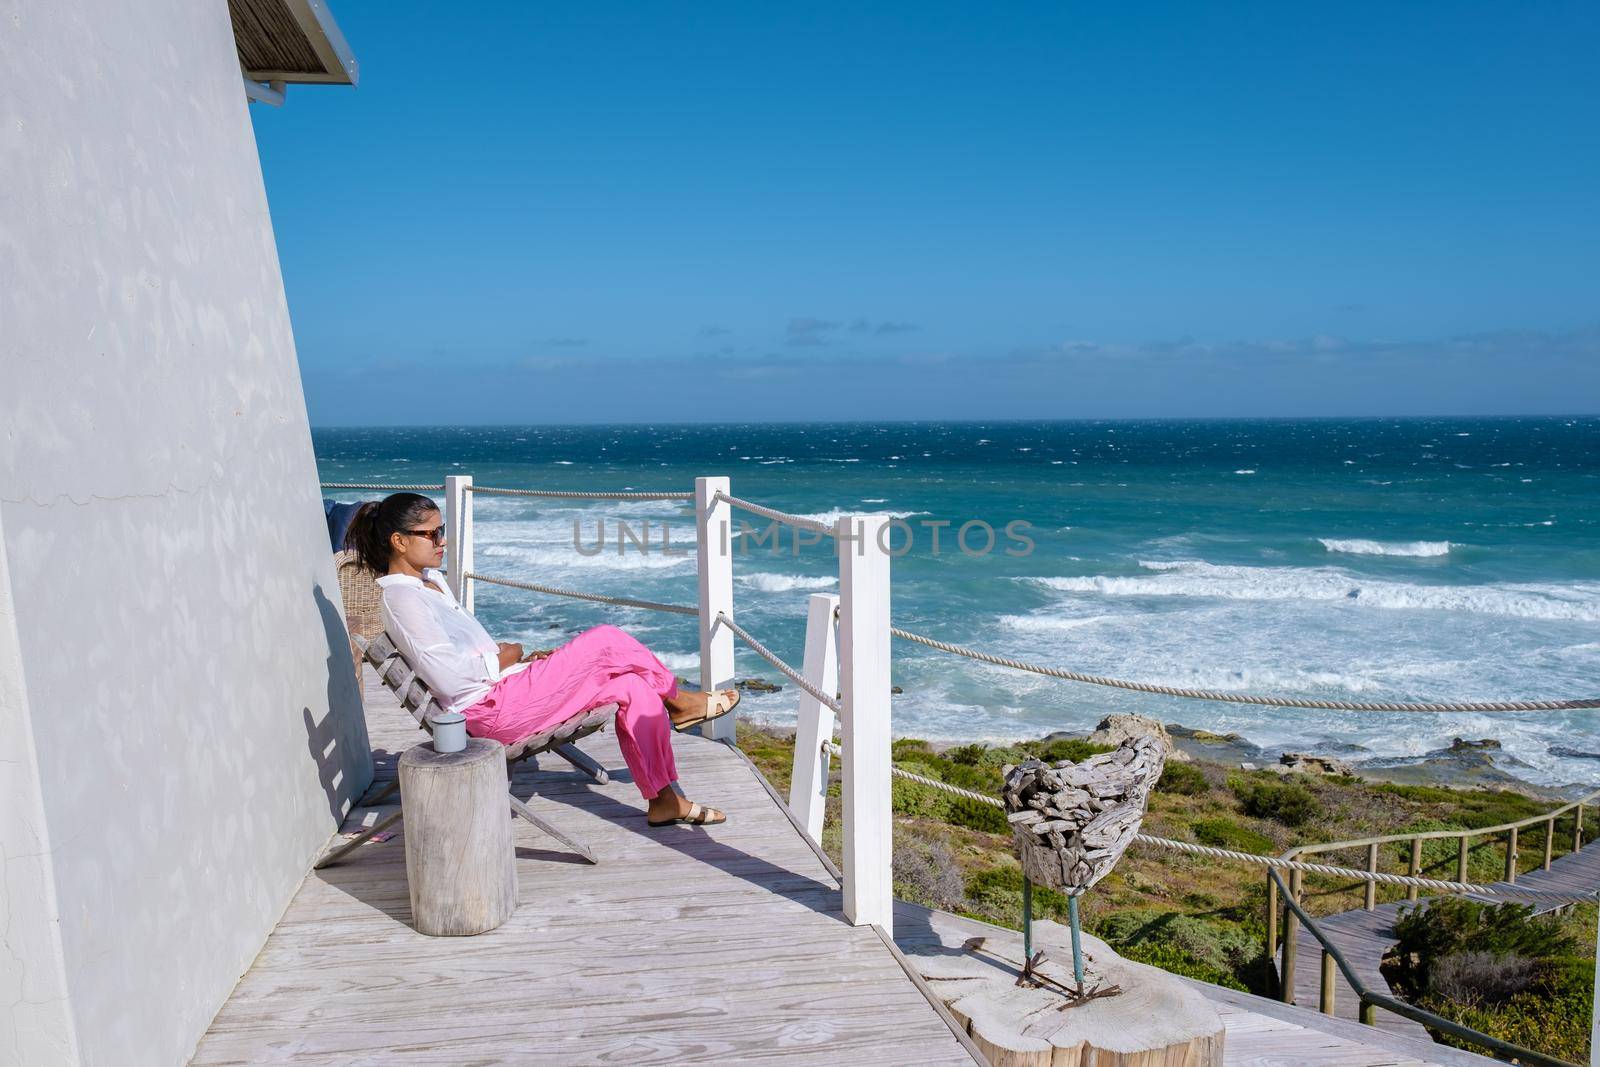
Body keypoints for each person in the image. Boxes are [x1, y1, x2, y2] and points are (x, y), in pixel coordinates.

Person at [344, 492, 737, 827]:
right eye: (431, 534)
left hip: (505, 693)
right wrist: (505, 657)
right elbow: (450, 681)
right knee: (606, 640)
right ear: (398, 541)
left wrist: (520, 664)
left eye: (442, 530)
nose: (441, 541)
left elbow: (464, 655)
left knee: (633, 686)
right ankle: (681, 701)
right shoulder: (403, 599)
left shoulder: (429, 583)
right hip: (490, 712)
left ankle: (663, 799)